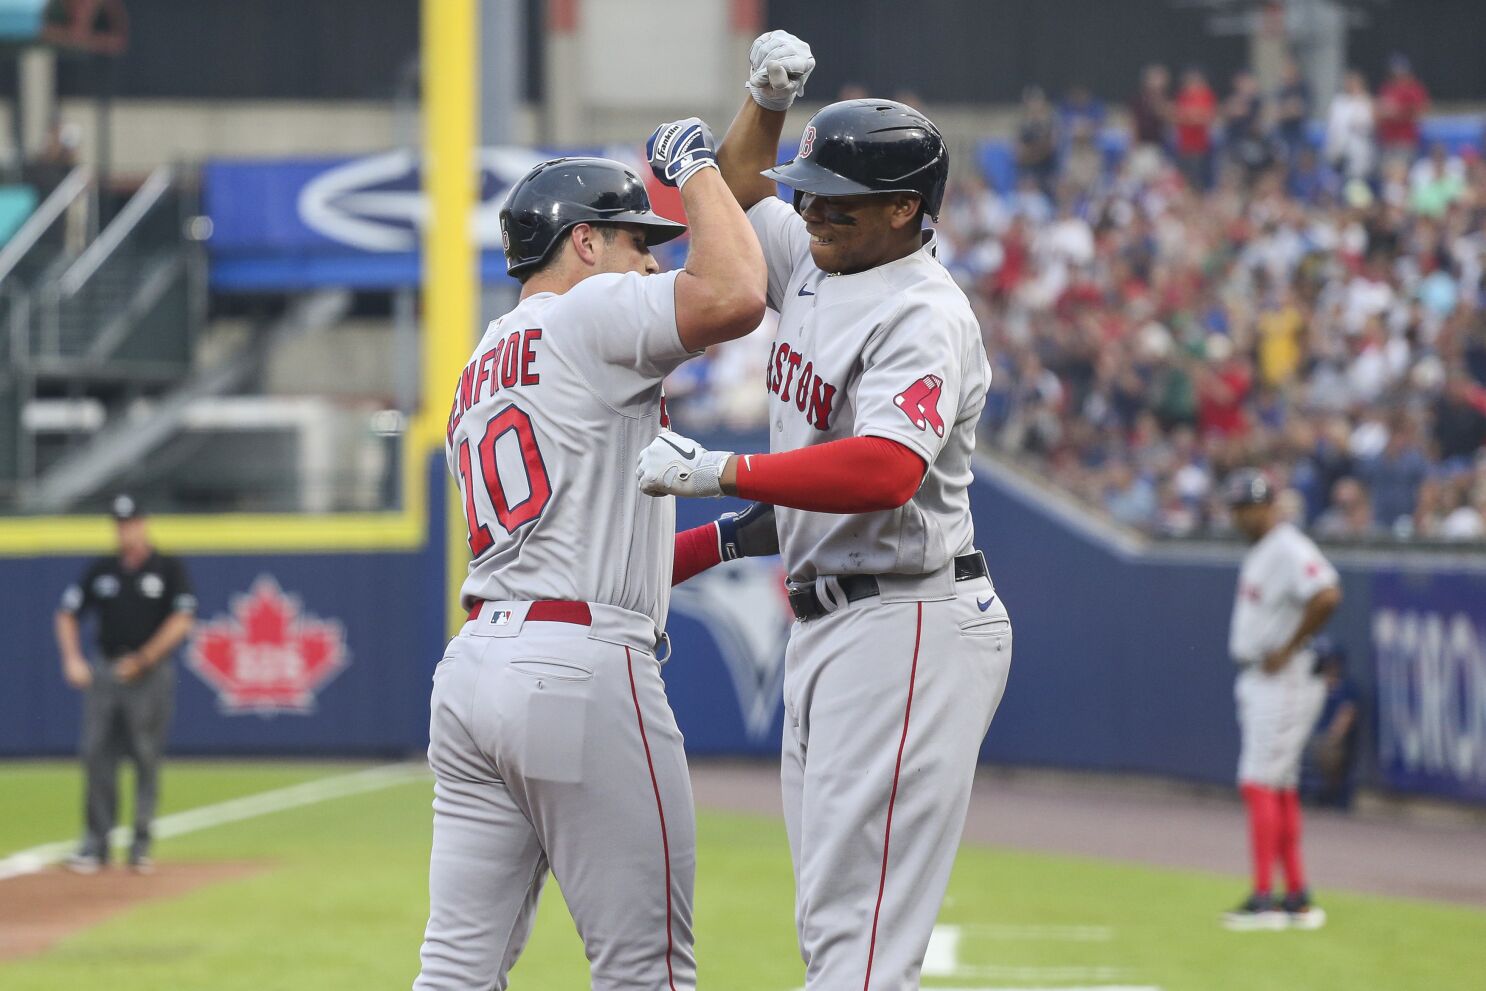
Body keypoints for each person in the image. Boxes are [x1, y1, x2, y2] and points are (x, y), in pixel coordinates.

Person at [638, 29, 1013, 988]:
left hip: (907, 618)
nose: (811, 207)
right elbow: (741, 186)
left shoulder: (923, 313)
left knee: (859, 945)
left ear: (903, 209)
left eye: (836, 198)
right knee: (835, 931)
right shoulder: (819, 251)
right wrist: (765, 97)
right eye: (810, 190)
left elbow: (884, 471)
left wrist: (725, 472)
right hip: (839, 617)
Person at [412, 137, 769, 989]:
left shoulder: (476, 367)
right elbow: (735, 293)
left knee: (456, 969)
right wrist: (696, 170)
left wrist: (723, 539)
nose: (648, 262)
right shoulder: (585, 317)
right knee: (649, 969)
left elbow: (578, 548)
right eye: (635, 241)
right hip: (579, 670)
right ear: (584, 241)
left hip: (476, 669)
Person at [1222, 469, 1340, 931]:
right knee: (1280, 785)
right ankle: (1296, 896)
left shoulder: (1289, 546)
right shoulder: (1262, 551)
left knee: (1258, 783)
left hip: (1285, 678)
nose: (1239, 516)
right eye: (1236, 508)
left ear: (1268, 506)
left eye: (1246, 507)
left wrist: (1289, 646)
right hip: (1264, 677)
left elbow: (1328, 594)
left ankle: (1265, 899)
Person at [55, 494, 196, 874]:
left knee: (145, 756)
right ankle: (95, 844)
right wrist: (72, 658)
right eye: (118, 524)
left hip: (150, 674)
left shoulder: (166, 567)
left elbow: (183, 619)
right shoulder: (102, 569)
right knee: (97, 753)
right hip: (107, 669)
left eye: (130, 522)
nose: (124, 530)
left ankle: (140, 845)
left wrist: (146, 658)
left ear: (143, 524)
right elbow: (67, 613)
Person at [1375, 54, 1429, 159]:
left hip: (1404, 139)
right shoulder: (1387, 88)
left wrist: (1396, 112)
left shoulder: (1413, 88)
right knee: (1387, 172)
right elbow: (1378, 111)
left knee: (1401, 172)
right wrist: (1383, 112)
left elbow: (1419, 112)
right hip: (1387, 139)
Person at [1173, 67, 1218, 189]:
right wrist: (1191, 116)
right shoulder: (1182, 96)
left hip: (1200, 145)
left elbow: (1206, 116)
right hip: (1184, 144)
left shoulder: (1206, 95)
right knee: (1185, 179)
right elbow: (1177, 116)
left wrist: (1190, 116)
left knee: (1199, 179)